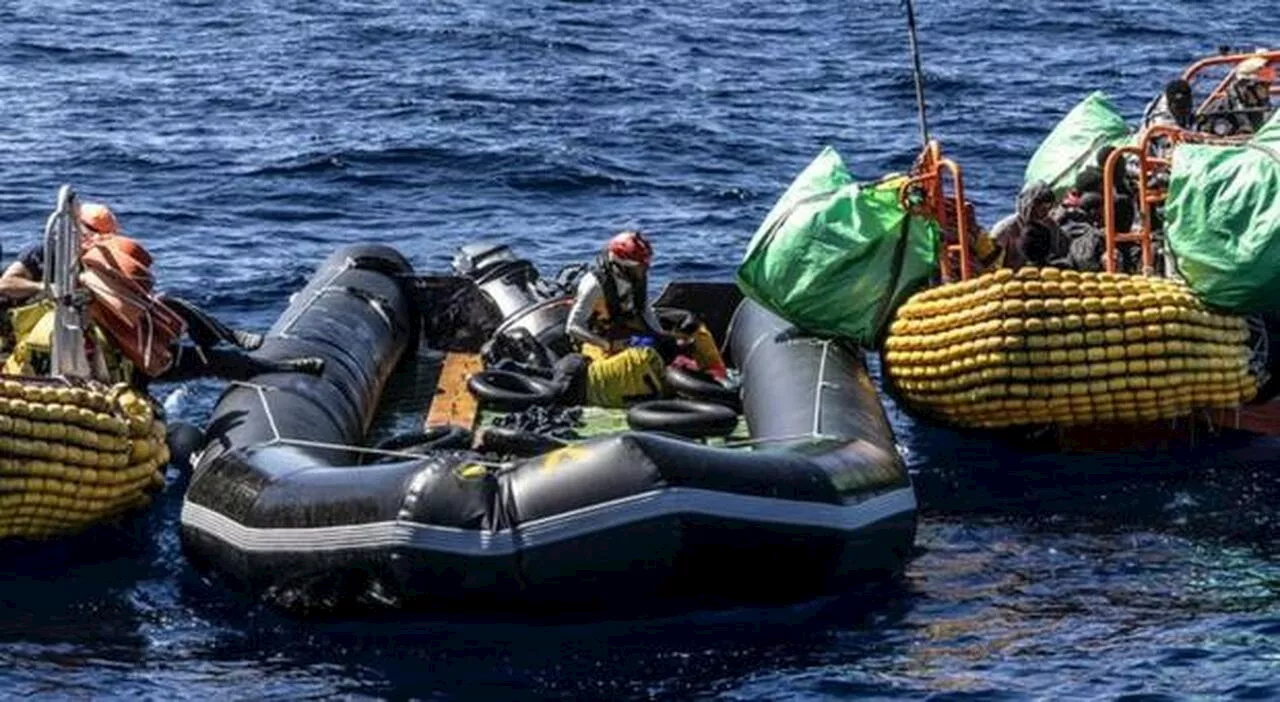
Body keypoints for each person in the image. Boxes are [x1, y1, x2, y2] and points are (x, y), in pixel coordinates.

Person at [0, 201, 323, 385]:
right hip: (46, 345)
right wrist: (51, 289)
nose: (97, 242)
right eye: (93, 235)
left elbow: (130, 308)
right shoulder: (43, 253)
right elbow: (6, 285)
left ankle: (271, 365)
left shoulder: (105, 264)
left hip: (112, 346)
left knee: (186, 329)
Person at [989, 181, 1065, 269]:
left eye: (1046, 208)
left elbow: (1058, 255)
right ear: (1026, 204)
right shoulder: (1005, 229)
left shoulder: (1052, 227)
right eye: (1037, 207)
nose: (1041, 213)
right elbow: (991, 262)